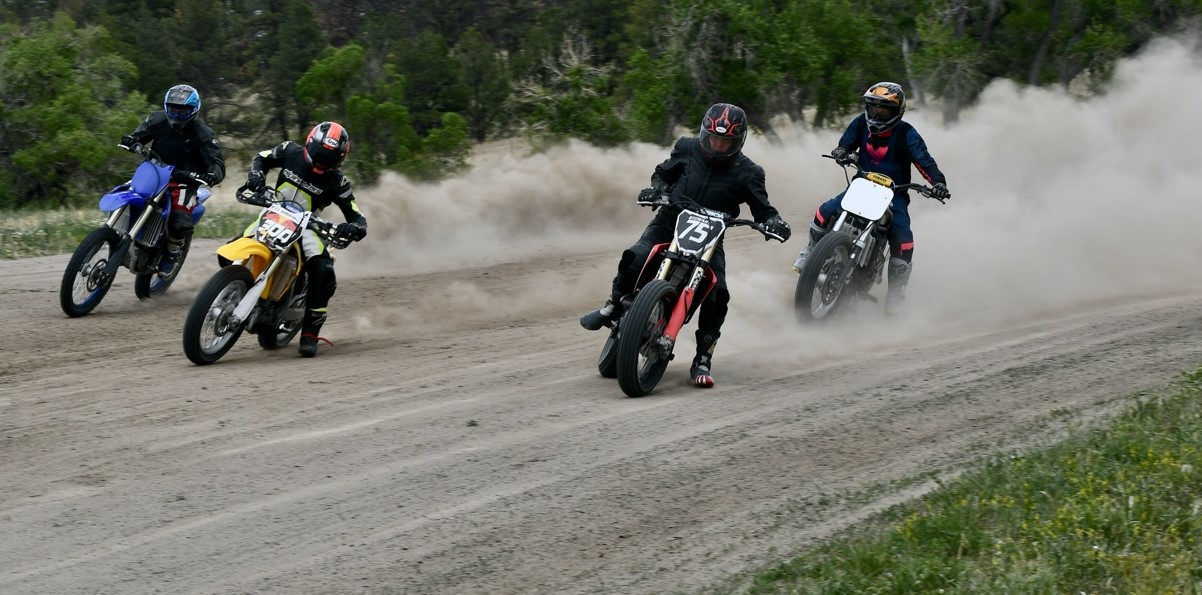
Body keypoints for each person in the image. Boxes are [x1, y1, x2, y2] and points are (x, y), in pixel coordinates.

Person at [579, 103, 792, 388]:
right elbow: (663, 174)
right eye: (713, 138)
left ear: (738, 142)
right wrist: (657, 189)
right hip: (670, 219)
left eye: (725, 141)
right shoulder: (687, 147)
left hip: (711, 237)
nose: (717, 145)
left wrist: (773, 222)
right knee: (636, 256)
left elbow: (763, 209)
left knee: (719, 294)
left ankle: (703, 358)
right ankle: (613, 305)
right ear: (703, 132)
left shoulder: (749, 171)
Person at [794, 81, 951, 315]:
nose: (877, 112)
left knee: (904, 238)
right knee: (824, 211)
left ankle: (895, 295)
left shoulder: (907, 134)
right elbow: (845, 143)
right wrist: (841, 151)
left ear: (897, 111)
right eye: (873, 107)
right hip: (861, 184)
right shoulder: (860, 123)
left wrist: (938, 183)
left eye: (884, 109)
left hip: (894, 194)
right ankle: (811, 251)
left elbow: (923, 161)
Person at [242, 121, 367, 358]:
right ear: (310, 143)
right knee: (237, 244)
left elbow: (357, 216)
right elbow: (262, 157)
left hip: (306, 227)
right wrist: (257, 173)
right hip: (273, 213)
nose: (322, 162)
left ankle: (310, 332)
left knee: (324, 269)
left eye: (329, 159)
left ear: (340, 159)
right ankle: (235, 284)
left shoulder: (338, 182)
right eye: (319, 154)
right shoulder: (289, 150)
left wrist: (354, 228)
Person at [119, 84, 225, 276]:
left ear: (194, 111)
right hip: (154, 172)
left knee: (179, 220)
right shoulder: (157, 119)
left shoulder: (204, 134)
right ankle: (115, 232)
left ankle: (172, 253)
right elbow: (139, 134)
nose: (177, 115)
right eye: (173, 109)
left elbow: (216, 162)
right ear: (167, 107)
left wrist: (212, 174)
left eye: (183, 111)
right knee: (123, 192)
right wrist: (131, 140)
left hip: (185, 180)